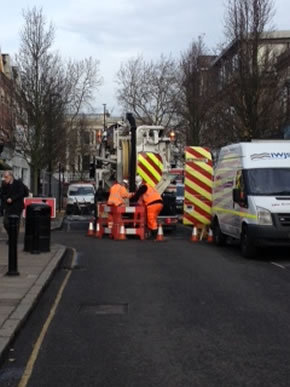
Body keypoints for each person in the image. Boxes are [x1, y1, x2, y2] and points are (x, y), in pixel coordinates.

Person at [130, 175, 163, 239]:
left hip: (152, 204)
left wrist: (130, 201)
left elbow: (137, 196)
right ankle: (153, 234)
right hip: (159, 203)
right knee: (153, 219)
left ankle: (155, 236)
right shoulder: (148, 186)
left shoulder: (143, 187)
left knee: (151, 220)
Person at [1, 171, 25, 242]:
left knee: (16, 224)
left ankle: (13, 240)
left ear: (11, 176)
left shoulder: (18, 183)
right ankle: (11, 236)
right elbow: (2, 194)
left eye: (6, 177)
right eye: (4, 177)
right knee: (6, 223)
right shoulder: (4, 184)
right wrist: (6, 199)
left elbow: (21, 193)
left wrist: (12, 199)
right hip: (8, 207)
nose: (5, 179)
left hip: (17, 206)